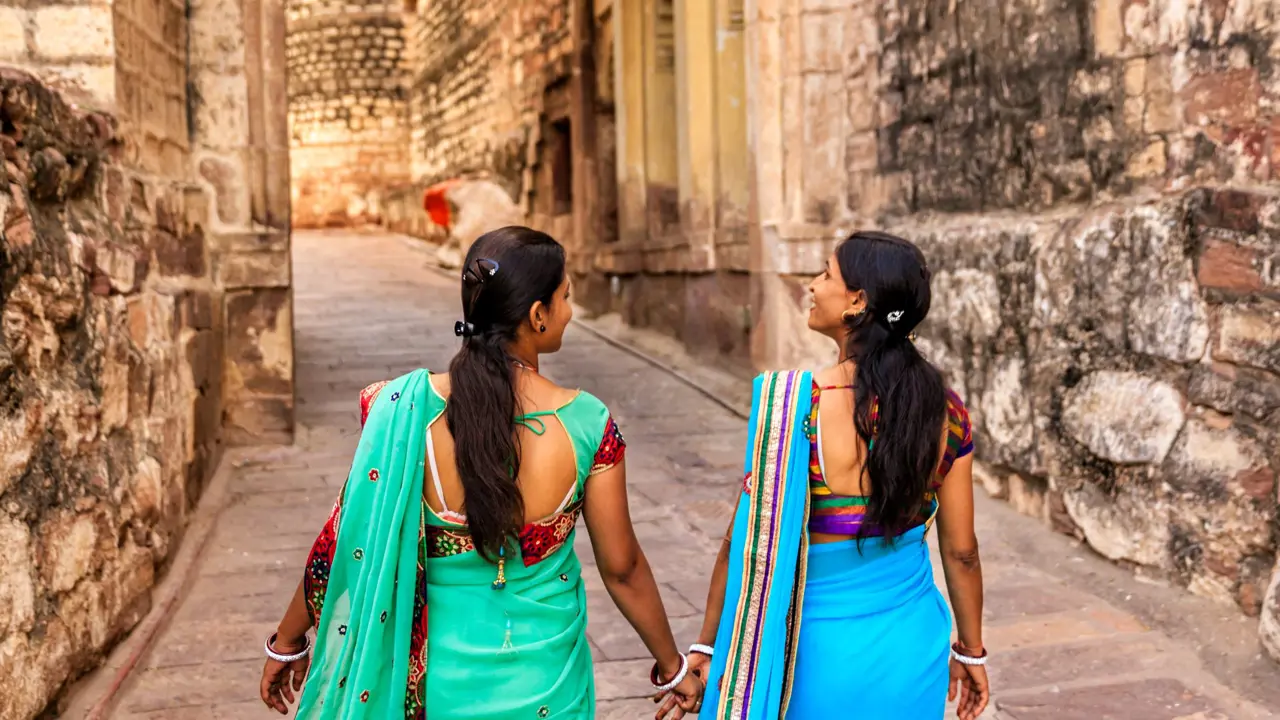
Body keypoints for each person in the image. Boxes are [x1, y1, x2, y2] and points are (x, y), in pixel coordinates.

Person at [259, 226, 703, 719]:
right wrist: (672, 666)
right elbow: (623, 569)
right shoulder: (587, 425)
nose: (570, 312)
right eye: (566, 298)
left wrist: (287, 639)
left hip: (435, 689)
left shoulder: (401, 412)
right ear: (538, 315)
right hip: (547, 687)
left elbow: (345, 544)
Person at [658, 231, 989, 720]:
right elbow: (961, 552)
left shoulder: (794, 409)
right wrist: (970, 651)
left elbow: (745, 543)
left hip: (810, 656)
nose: (813, 285)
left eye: (827, 274)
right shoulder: (946, 410)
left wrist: (707, 648)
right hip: (910, 647)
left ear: (858, 300)